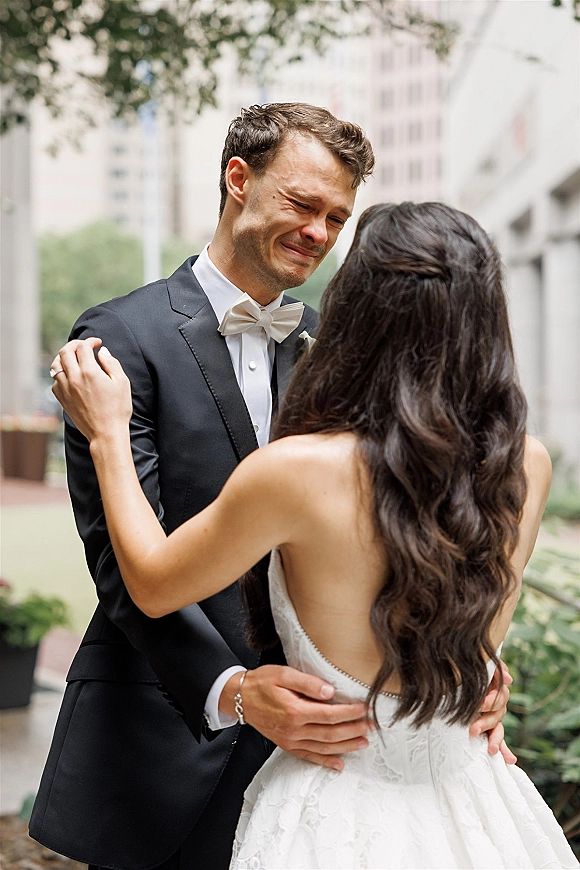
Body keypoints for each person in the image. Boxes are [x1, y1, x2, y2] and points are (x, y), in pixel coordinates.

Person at [31, 103, 509, 870]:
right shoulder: (121, 338)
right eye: (302, 204)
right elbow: (123, 564)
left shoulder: (345, 341)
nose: (319, 233)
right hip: (169, 733)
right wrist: (232, 690)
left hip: (335, 756)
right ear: (238, 179)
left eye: (336, 218)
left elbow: (408, 517)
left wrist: (459, 658)